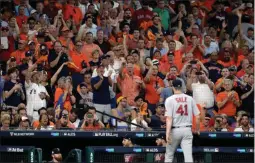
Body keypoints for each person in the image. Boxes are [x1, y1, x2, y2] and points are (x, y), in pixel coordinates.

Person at [164, 79, 200, 162]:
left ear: (173, 87)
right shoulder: (190, 98)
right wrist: (197, 129)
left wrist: (167, 133)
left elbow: (169, 118)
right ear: (182, 87)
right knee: (188, 157)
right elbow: (197, 116)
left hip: (175, 130)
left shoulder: (170, 99)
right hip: (187, 130)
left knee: (169, 155)